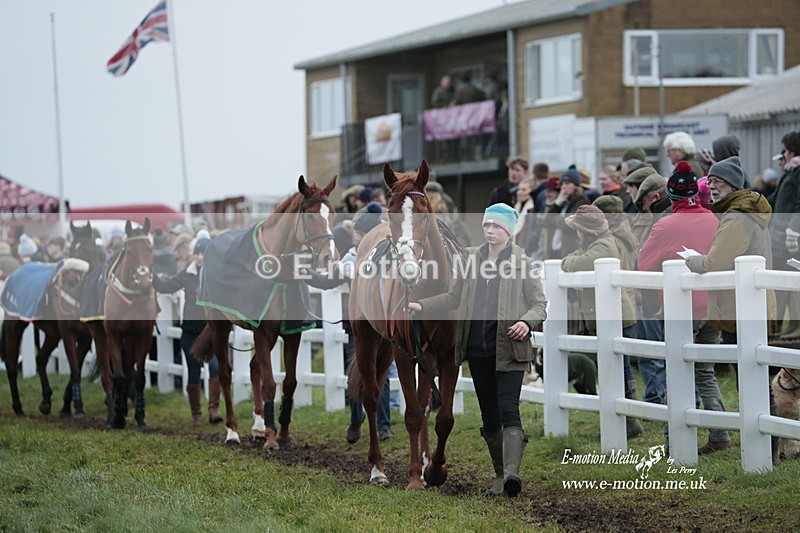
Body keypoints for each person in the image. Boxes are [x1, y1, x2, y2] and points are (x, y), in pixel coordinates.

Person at [408, 203, 548, 498]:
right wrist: (422, 305)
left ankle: (512, 474)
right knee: (489, 415)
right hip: (477, 350)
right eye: (486, 225)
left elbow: (539, 304)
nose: (489, 230)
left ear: (508, 231)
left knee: (509, 409)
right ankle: (499, 475)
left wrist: (526, 321)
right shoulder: (471, 261)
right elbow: (453, 297)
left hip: (510, 349)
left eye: (496, 226)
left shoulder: (522, 263)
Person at [685, 155, 777, 459]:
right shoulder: (747, 210)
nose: (711, 186)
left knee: (751, 378)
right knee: (754, 375)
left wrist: (690, 261)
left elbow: (715, 262)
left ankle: (766, 450)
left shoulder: (737, 216)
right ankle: (770, 446)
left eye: (718, 181)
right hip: (752, 304)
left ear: (733, 185)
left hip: (742, 308)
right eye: (709, 181)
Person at [637, 160, 729, 454]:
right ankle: (720, 434)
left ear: (672, 197)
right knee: (705, 371)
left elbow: (644, 264)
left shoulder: (665, 225)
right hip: (712, 308)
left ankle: (674, 439)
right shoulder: (714, 221)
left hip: (681, 310)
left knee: (677, 371)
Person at [560, 204, 643, 438]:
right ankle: (626, 421)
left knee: (619, 370)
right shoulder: (595, 244)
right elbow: (577, 257)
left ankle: (629, 422)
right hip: (609, 317)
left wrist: (567, 263)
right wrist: (570, 259)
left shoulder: (603, 246)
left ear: (585, 231)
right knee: (614, 369)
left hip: (616, 317)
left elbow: (580, 262)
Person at [153, 237, 223, 426]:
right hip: (190, 333)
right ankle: (196, 415)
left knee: (215, 367)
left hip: (210, 332)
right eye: (197, 253)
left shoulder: (217, 274)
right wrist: (151, 274)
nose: (200, 257)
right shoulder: (186, 275)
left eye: (204, 254)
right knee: (193, 372)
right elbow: (165, 287)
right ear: (193, 255)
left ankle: (214, 410)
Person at [768, 131, 800, 340]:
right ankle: (789, 328)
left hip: (790, 237)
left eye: (787, 150)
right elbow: (777, 199)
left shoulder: (797, 172)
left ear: (792, 151)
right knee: (782, 283)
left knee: (794, 283)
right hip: (779, 237)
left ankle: (797, 327)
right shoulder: (791, 171)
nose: (785, 155)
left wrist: (794, 228)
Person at [544, 165, 590, 260]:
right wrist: (557, 203)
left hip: (569, 252)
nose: (564, 186)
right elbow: (546, 220)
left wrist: (555, 220)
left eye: (568, 183)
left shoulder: (582, 202)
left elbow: (569, 224)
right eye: (562, 183)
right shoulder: (563, 202)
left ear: (576, 186)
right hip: (555, 250)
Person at [513, 178, 536, 255]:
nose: (520, 192)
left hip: (528, 251)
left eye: (524, 190)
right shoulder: (516, 208)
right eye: (519, 189)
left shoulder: (533, 209)